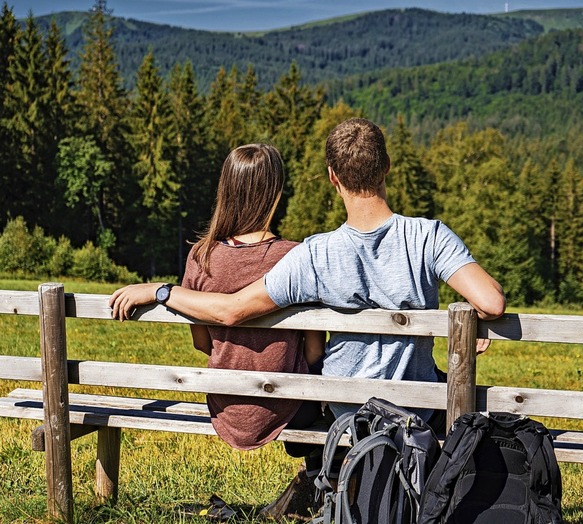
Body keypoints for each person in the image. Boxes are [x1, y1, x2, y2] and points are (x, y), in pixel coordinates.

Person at [110, 118, 506, 513]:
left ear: (333, 177)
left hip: (346, 412)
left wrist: (162, 291)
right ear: (387, 166)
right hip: (416, 408)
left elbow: (230, 312)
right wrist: (470, 314)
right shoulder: (428, 236)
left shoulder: (313, 255)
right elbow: (492, 301)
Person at [149, 143, 326, 519]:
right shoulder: (296, 256)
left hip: (225, 405)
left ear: (225, 190)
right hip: (291, 409)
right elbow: (314, 353)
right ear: (276, 192)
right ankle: (318, 481)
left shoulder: (202, 255)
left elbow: (202, 343)